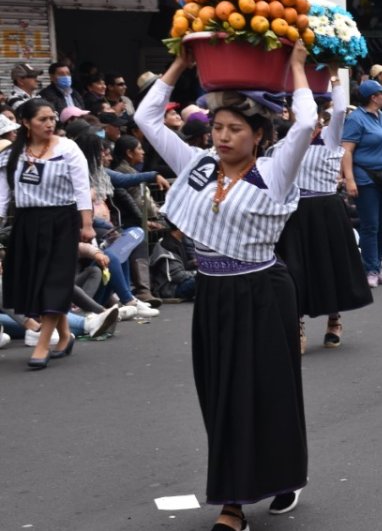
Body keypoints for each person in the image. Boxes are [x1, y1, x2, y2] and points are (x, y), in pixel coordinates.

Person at [134, 42, 315, 531]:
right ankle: (237, 491)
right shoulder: (196, 166)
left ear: (258, 135)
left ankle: (247, 496)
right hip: (214, 294)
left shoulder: (275, 173)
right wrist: (179, 65)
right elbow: (147, 118)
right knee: (221, 394)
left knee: (267, 392)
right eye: (217, 128)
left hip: (262, 292)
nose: (223, 136)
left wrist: (297, 67)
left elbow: (305, 125)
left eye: (235, 129)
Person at [276, 73, 372, 352]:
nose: (311, 124)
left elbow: (340, 109)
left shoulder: (330, 141)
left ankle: (334, 320)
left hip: (327, 209)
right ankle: (298, 324)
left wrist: (334, 76)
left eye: (316, 119)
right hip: (295, 212)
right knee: (296, 269)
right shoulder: (283, 146)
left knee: (330, 266)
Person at [0, 98, 94, 369]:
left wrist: (86, 224)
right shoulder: (12, 154)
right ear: (26, 123)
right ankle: (65, 334)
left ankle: (44, 343)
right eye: (42, 119)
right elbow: (4, 195)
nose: (50, 124)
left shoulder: (68, 149)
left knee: (53, 279)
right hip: (27, 221)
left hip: (61, 220)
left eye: (52, 118)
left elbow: (81, 188)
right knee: (36, 280)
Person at [342, 79, 382, 288]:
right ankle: (370, 270)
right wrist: (349, 179)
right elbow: (346, 150)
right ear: (373, 97)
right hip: (366, 178)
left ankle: (377, 266)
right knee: (370, 225)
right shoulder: (356, 119)